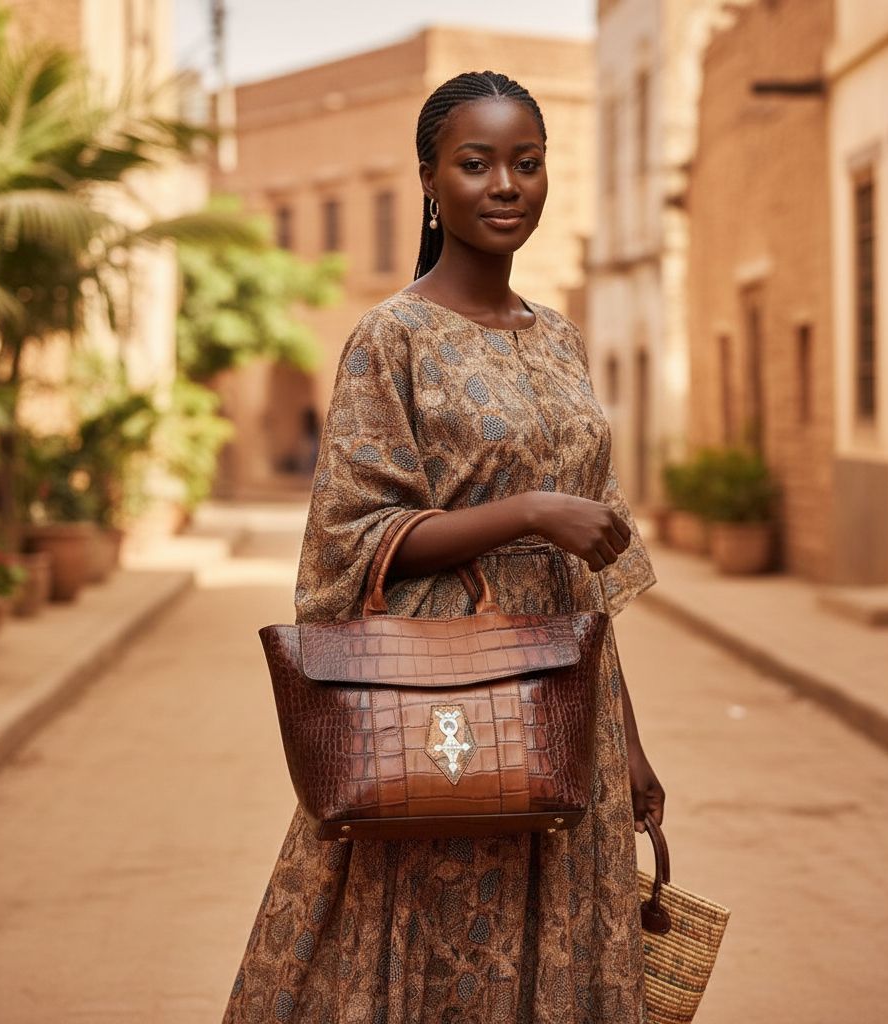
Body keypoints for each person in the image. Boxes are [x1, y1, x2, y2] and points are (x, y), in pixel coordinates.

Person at [222, 70, 665, 1024]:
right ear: (430, 180)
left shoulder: (562, 342)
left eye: (527, 163)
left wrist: (626, 740)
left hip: (567, 707)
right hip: (442, 700)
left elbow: (592, 578)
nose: (506, 184)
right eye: (477, 163)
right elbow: (348, 542)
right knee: (443, 940)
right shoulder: (393, 339)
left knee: (562, 939)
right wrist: (532, 511)